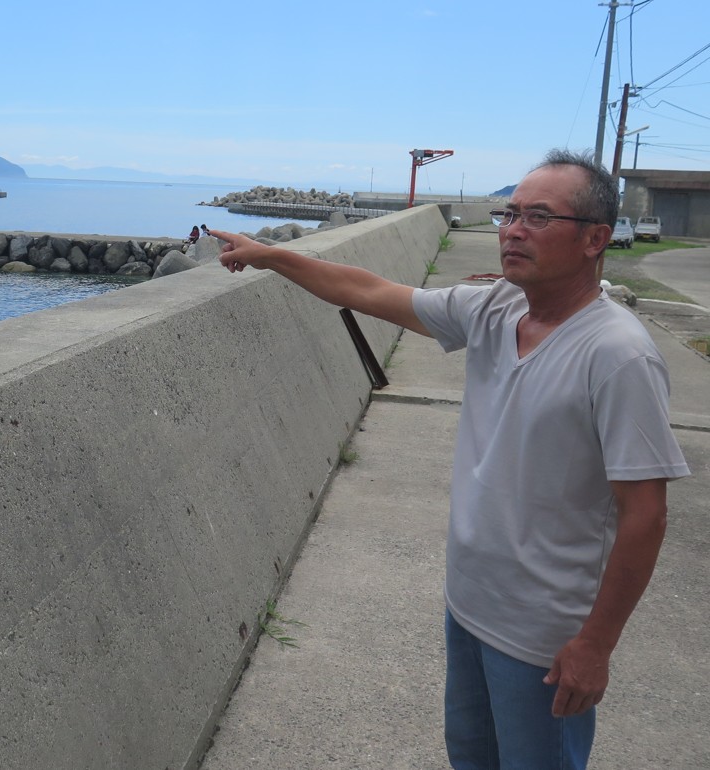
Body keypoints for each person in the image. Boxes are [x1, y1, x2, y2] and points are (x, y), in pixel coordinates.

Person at [210, 148, 688, 770]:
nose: (513, 230)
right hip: (468, 605)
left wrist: (596, 644)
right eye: (509, 213)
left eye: (539, 218)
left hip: (542, 636)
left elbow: (645, 515)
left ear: (596, 239)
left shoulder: (619, 355)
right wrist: (270, 255)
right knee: (471, 756)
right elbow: (368, 289)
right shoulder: (493, 309)